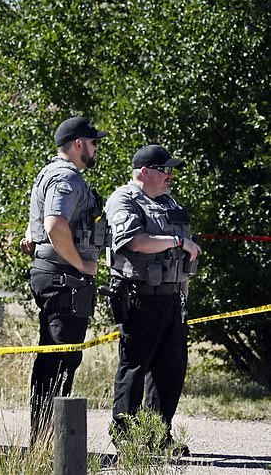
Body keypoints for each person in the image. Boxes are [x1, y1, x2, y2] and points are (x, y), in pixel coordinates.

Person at [104, 144, 202, 454]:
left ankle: (158, 435)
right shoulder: (124, 199)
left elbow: (182, 258)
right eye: (165, 170)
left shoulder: (169, 203)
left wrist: (184, 294)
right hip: (139, 296)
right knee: (134, 368)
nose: (170, 176)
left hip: (172, 298)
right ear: (145, 172)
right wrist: (177, 240)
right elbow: (134, 241)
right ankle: (127, 437)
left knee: (170, 369)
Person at [20, 116, 108, 441]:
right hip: (64, 280)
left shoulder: (48, 173)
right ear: (79, 144)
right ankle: (53, 449)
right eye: (94, 143)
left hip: (52, 276)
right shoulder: (67, 177)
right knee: (61, 362)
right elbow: (55, 224)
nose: (96, 149)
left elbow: (38, 226)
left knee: (51, 360)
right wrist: (82, 265)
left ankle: (43, 442)